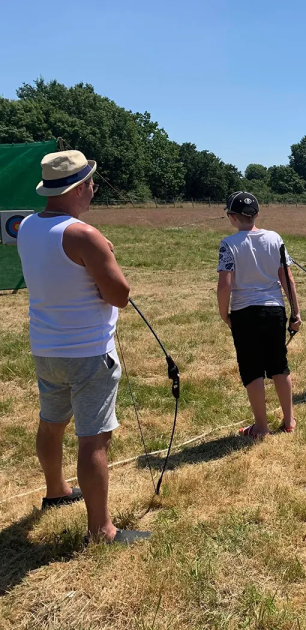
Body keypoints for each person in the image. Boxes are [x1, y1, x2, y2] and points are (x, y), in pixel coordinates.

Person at [16, 150, 149, 544]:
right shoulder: (82, 234)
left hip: (46, 348)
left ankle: (56, 490)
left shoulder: (26, 226)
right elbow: (119, 294)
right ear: (77, 188)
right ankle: (102, 530)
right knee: (94, 438)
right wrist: (102, 252)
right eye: (90, 184)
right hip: (88, 352)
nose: (93, 190)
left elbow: (60, 263)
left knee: (51, 423)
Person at [216, 191, 301, 438]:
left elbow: (225, 285)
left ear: (232, 217)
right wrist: (296, 312)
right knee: (279, 365)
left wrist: (225, 315)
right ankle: (288, 420)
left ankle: (261, 427)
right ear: (256, 214)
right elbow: (288, 279)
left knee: (252, 369)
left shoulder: (228, 244)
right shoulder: (275, 238)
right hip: (274, 310)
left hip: (244, 312)